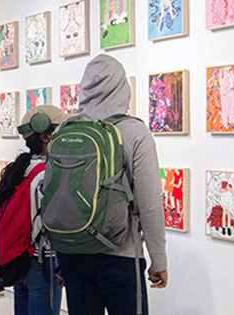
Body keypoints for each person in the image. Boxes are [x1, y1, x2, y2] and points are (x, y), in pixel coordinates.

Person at [55, 54, 168, 315]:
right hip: (121, 253)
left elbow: (54, 195)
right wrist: (158, 259)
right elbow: (150, 204)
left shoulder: (65, 131)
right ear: (122, 87)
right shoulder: (135, 132)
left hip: (72, 254)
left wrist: (59, 258)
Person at [0, 105, 68, 315]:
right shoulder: (48, 172)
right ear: (46, 135)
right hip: (43, 263)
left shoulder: (22, 168)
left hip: (21, 260)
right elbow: (51, 222)